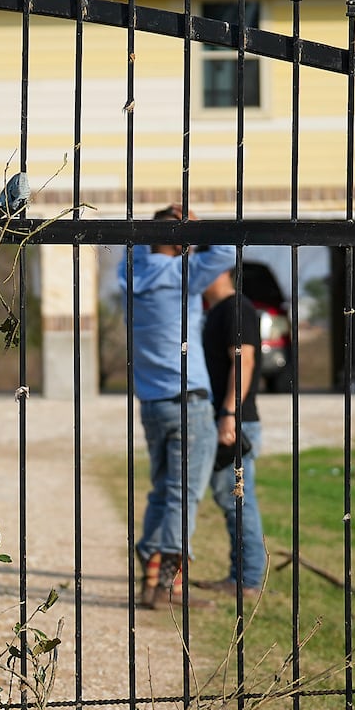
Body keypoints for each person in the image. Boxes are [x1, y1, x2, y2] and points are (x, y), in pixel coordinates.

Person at [117, 205, 235, 609]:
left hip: (152, 402)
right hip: (190, 401)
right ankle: (169, 584)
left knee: (163, 490)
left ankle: (151, 575)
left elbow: (134, 252)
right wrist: (200, 229)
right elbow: (226, 255)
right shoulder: (178, 273)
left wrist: (161, 232)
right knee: (183, 494)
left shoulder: (130, 274)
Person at [197, 267, 266, 601]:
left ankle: (248, 581)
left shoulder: (236, 308)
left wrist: (229, 415)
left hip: (235, 421)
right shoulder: (214, 312)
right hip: (227, 418)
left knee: (238, 501)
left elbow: (244, 362)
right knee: (232, 501)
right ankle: (242, 576)